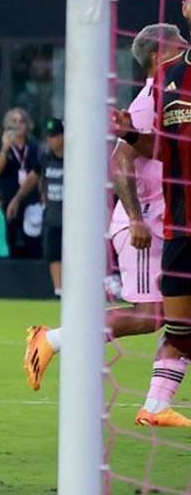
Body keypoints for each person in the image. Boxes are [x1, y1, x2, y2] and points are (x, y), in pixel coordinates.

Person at [27, 23, 190, 427]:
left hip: (166, 220)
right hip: (147, 222)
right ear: (157, 55)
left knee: (178, 316)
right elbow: (121, 159)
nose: (185, 47)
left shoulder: (177, 89)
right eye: (178, 44)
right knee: (153, 315)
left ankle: (155, 406)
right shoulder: (153, 96)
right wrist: (135, 216)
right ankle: (50, 340)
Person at [9, 118, 63, 295]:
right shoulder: (45, 158)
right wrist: (17, 198)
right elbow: (32, 178)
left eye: (54, 136)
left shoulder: (76, 160)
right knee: (53, 253)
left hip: (73, 218)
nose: (50, 140)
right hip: (53, 214)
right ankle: (58, 290)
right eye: (48, 137)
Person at [0, 107, 41, 258]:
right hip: (7, 197)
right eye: (14, 121)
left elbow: (39, 172)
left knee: (33, 242)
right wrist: (5, 148)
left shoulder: (33, 147)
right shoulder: (0, 145)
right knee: (8, 239)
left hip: (30, 199)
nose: (18, 125)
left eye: (21, 121)